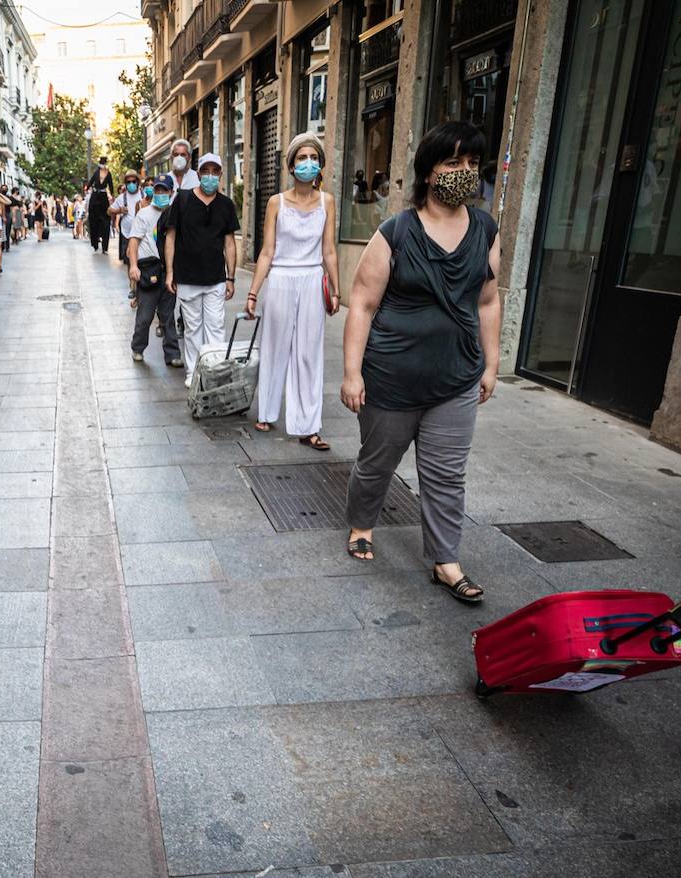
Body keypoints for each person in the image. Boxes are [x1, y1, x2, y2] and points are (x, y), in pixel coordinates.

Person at [341, 121, 502, 604]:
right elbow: (363, 304)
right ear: (429, 171)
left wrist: (491, 364)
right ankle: (361, 524)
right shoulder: (396, 232)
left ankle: (445, 561)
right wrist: (352, 373)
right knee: (377, 463)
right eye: (454, 162)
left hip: (456, 376)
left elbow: (488, 300)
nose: (465, 172)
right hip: (391, 377)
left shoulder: (486, 230)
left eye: (472, 163)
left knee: (447, 473)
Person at [245, 133, 340, 445]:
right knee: (274, 346)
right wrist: (253, 292)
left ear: (321, 164)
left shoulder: (327, 201)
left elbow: (329, 250)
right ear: (291, 165)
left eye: (313, 157)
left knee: (309, 352)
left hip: (313, 278)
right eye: (302, 158)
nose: (308, 163)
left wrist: (336, 289)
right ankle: (267, 412)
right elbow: (267, 252)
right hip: (282, 277)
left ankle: (308, 426)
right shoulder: (276, 203)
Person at [163, 152, 240, 385]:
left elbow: (229, 242)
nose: (210, 176)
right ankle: (193, 373)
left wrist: (231, 277)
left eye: (214, 172)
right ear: (198, 174)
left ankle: (214, 372)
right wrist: (170, 272)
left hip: (216, 277)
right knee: (193, 329)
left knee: (216, 326)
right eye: (205, 171)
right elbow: (171, 237)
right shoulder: (183, 200)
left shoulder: (226, 205)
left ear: (220, 175)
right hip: (187, 277)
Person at [127, 175, 182, 369]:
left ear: (171, 192)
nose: (159, 194)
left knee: (168, 316)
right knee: (145, 315)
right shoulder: (144, 214)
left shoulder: (176, 214)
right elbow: (133, 242)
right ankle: (138, 347)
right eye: (157, 190)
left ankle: (173, 354)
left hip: (169, 271)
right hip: (148, 270)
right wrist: (133, 266)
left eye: (163, 190)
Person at [110, 169, 145, 264]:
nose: (131, 184)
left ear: (138, 182)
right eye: (128, 182)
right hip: (127, 235)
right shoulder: (122, 197)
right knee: (129, 262)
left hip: (143, 235)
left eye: (133, 181)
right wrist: (119, 210)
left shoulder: (144, 195)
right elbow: (109, 211)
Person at [85, 156, 114, 254]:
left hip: (103, 198)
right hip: (95, 198)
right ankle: (95, 244)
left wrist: (112, 198)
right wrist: (87, 188)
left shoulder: (108, 174)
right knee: (93, 221)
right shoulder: (96, 173)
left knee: (106, 222)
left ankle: (105, 247)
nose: (103, 165)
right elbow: (90, 182)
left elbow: (111, 186)